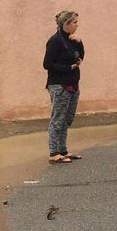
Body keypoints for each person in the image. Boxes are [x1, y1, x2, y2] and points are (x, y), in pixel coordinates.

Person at [43, 10, 84, 163]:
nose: (77, 25)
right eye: (74, 22)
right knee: (58, 118)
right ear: (66, 24)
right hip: (59, 85)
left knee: (68, 118)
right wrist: (68, 68)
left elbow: (80, 56)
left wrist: (79, 43)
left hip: (73, 83)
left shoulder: (72, 40)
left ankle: (63, 150)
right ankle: (54, 152)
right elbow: (47, 64)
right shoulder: (55, 41)